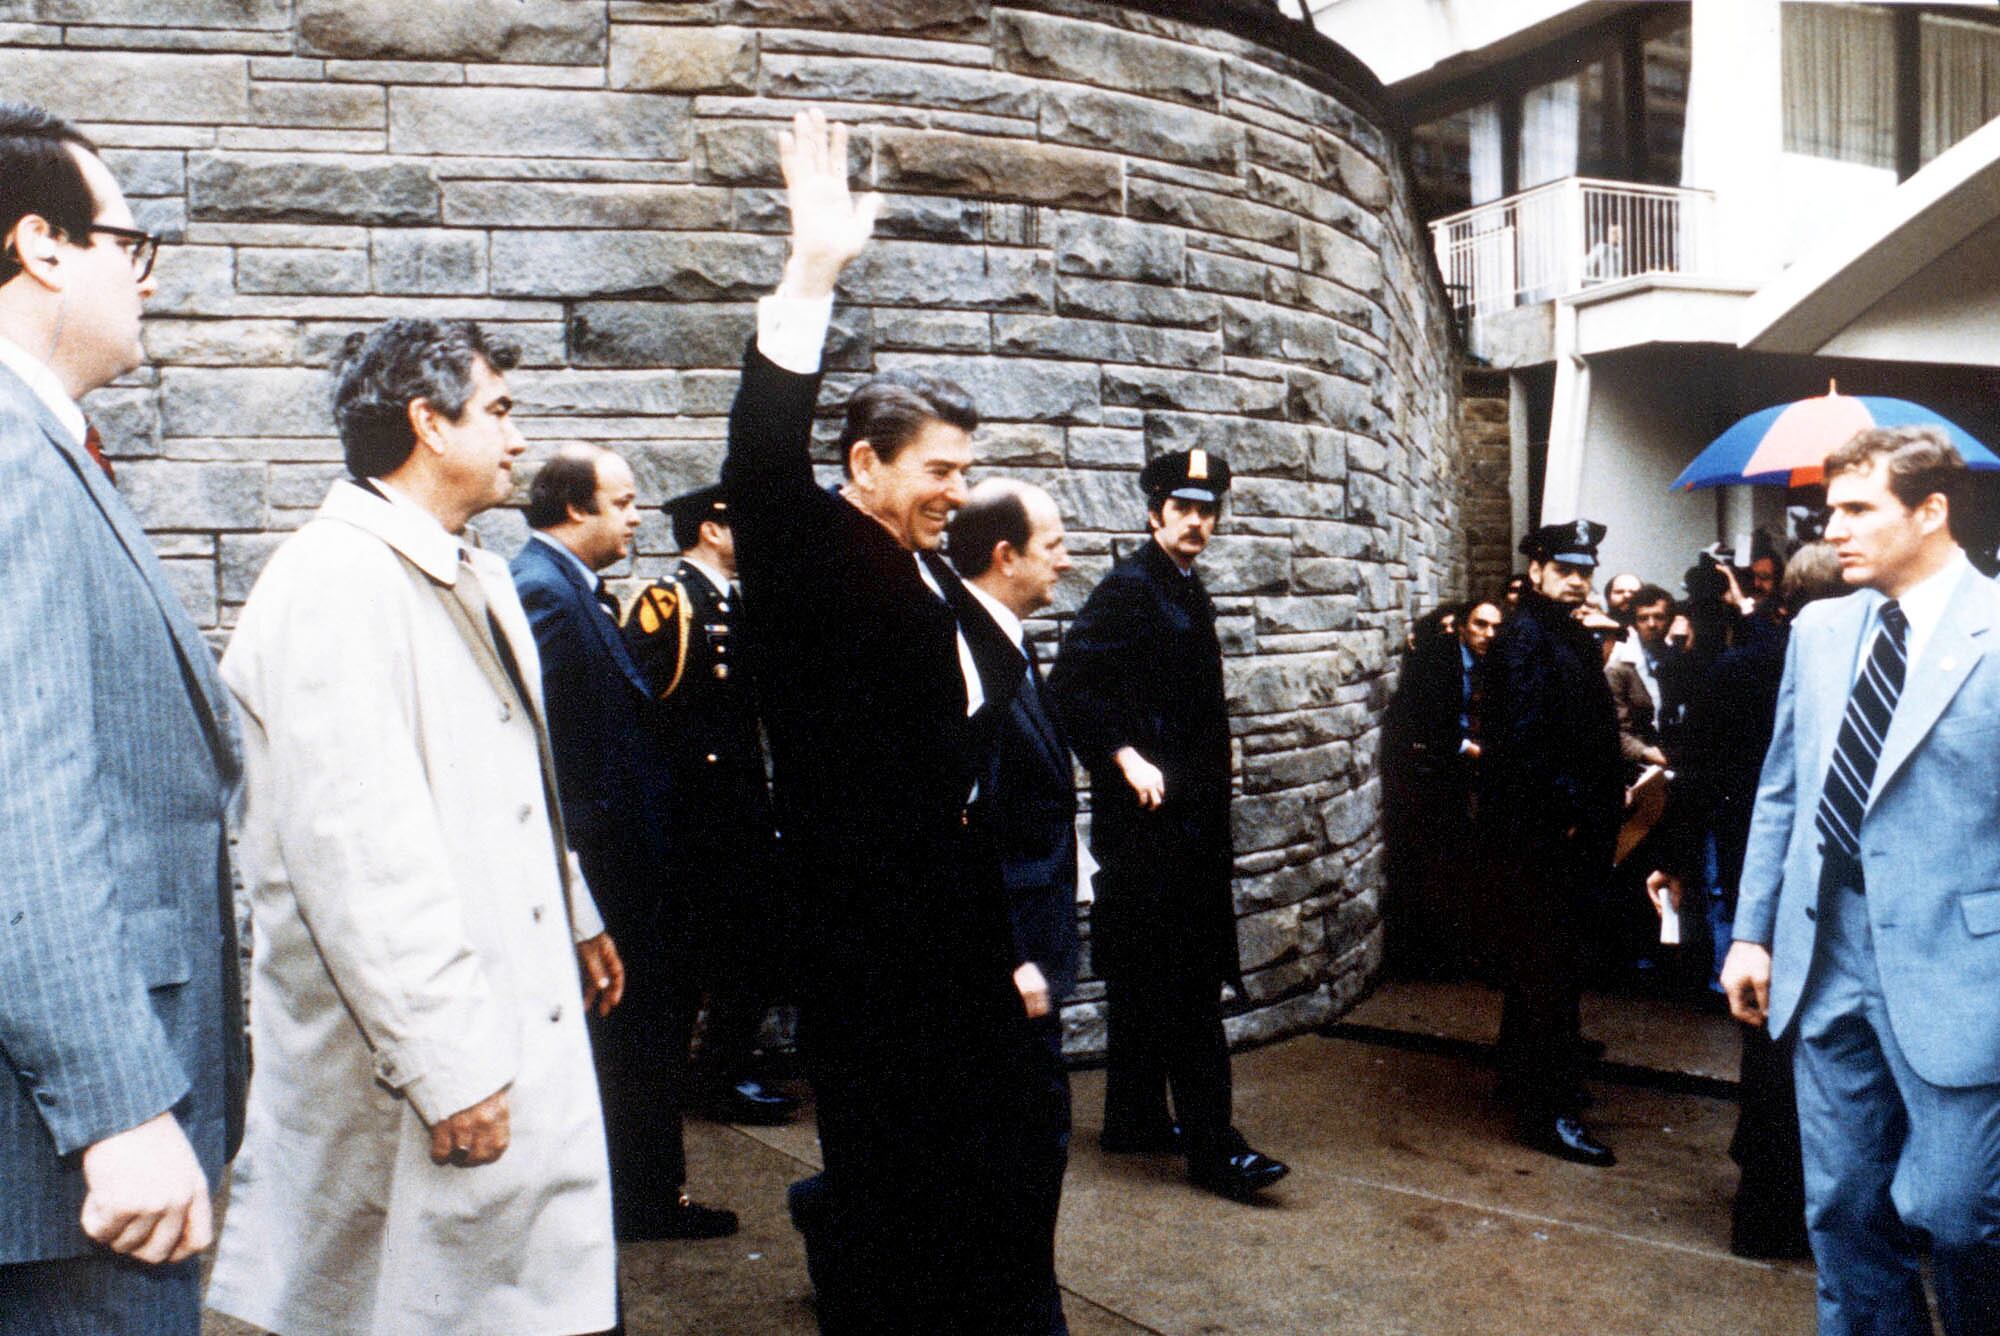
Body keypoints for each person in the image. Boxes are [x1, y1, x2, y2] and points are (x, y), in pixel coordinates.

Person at [206, 319, 623, 1336]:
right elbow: (358, 856)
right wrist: (447, 1066)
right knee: (412, 1301)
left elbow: (506, 773)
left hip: (501, 1006)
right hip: (423, 1062)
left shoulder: (468, 569)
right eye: (499, 412)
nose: (518, 439)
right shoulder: (335, 583)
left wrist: (572, 907)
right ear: (429, 423)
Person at [725, 110, 1053, 1333]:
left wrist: (1002, 951)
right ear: (863, 464)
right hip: (865, 948)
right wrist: (809, 271)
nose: (956, 494)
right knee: (893, 1197)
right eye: (936, 471)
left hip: (950, 943)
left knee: (964, 1183)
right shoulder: (812, 550)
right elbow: (762, 460)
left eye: (965, 471)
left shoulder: (932, 579)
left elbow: (960, 787)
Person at [0, 101, 246, 1336]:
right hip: (69, 1164)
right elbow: (20, 803)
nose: (145, 278)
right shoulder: (10, 456)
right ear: (42, 245)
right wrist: (116, 1108)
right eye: (129, 244)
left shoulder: (47, 448)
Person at [1723, 427, 2000, 1334]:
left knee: (1962, 1218)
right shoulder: (1820, 629)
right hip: (1826, 953)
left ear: (1931, 512)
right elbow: (1785, 790)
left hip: (1965, 973)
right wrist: (1752, 933)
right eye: (1828, 509)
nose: (1831, 529)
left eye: (1855, 509)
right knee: (1841, 1210)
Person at [1048, 449, 1289, 1201]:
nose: (1196, 521)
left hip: (1184, 824)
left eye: (1207, 509)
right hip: (1153, 828)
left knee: (1144, 976)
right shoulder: (1131, 587)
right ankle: (1216, 1151)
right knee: (1186, 986)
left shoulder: (1181, 583)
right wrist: (1122, 754)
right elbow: (1069, 685)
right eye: (1182, 508)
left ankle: (1135, 1119)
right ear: (1154, 512)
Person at [513, 448, 740, 1241]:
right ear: (576, 508)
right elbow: (538, 744)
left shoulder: (574, 589)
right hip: (605, 872)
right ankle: (642, 1199)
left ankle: (642, 1191)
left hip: (629, 864)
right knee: (634, 1039)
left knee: (642, 1037)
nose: (637, 517)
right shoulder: (542, 591)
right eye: (623, 502)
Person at [944, 477, 1082, 1335]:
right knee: (1027, 1142)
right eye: (1053, 544)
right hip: (1006, 954)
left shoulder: (1004, 640)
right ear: (1006, 556)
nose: (1065, 559)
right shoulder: (965, 653)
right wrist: (1008, 955)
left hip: (1029, 934)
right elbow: (964, 826)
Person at [621, 483, 798, 1128]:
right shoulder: (670, 603)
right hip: (694, 817)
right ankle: (690, 1081)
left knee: (748, 950)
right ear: (713, 530)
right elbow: (637, 714)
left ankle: (722, 1070)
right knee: (696, 956)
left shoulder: (733, 602)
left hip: (738, 813)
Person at [1476, 520, 1624, 1166]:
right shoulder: (1526, 637)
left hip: (1564, 829)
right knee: (1548, 970)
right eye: (1565, 571)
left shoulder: (1560, 632)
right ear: (1535, 571)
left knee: (1547, 967)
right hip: (1545, 835)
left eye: (1585, 572)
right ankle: (1546, 1110)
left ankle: (1527, 1076)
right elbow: (1524, 741)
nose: (1577, 582)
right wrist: (1565, 813)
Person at [1383, 598, 1501, 976]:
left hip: (1466, 769)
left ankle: (1459, 947)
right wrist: (1470, 748)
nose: (1489, 634)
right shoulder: (1437, 659)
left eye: (1496, 627)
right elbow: (1424, 719)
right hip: (1430, 770)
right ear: (1463, 627)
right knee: (1434, 860)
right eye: (1480, 625)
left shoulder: (1491, 664)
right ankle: (1428, 955)